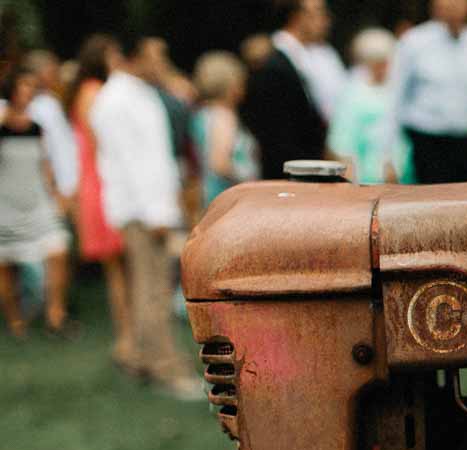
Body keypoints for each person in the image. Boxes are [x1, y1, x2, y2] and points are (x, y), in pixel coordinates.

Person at [90, 35, 196, 398]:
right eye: (157, 55)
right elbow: (132, 164)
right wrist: (156, 212)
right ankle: (165, 366)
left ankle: (139, 356)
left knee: (151, 286)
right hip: (141, 210)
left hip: (153, 205)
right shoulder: (117, 100)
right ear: (136, 57)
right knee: (153, 289)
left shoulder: (139, 93)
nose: (163, 63)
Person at [388, 0, 467, 184]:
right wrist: (389, 156)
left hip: (464, 145)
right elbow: (394, 99)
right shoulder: (414, 42)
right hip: (424, 144)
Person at [68, 34, 130, 361]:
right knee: (118, 266)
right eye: (114, 53)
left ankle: (132, 334)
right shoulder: (93, 91)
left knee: (123, 265)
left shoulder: (95, 90)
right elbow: (98, 143)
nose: (119, 58)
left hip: (102, 179)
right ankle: (125, 336)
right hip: (102, 181)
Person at [0, 67, 72, 339]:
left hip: (37, 201)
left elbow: (45, 164)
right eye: (23, 86)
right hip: (5, 205)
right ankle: (16, 321)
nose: (29, 92)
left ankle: (56, 314)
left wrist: (56, 193)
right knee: (6, 264)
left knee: (57, 249)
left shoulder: (37, 126)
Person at [241, 0, 330, 180]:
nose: (326, 19)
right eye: (318, 12)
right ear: (296, 16)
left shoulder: (309, 58)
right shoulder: (271, 63)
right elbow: (274, 133)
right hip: (286, 179)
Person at [327, 29, 408, 184]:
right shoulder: (352, 92)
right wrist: (349, 176)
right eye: (378, 61)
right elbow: (342, 139)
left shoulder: (398, 89)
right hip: (365, 174)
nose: (384, 67)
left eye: (386, 61)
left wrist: (394, 164)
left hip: (401, 173)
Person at [192, 51, 259, 208]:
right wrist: (250, 181)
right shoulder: (223, 116)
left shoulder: (202, 114)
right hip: (227, 199)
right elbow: (219, 163)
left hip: (209, 195)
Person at [24, 50, 78, 206]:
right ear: (41, 73)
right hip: (57, 190)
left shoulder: (50, 101)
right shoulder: (37, 107)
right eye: (53, 71)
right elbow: (47, 150)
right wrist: (57, 189)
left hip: (69, 187)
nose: (57, 76)